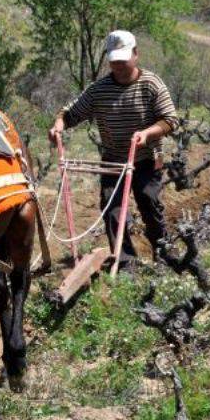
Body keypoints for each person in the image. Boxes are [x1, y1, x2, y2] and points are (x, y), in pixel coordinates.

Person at [48, 30, 178, 270]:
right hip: (113, 160)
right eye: (114, 60)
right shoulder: (99, 90)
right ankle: (126, 261)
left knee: (149, 204)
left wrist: (147, 133)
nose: (118, 65)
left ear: (136, 54)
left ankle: (164, 256)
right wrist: (59, 124)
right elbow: (71, 113)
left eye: (123, 59)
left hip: (146, 158)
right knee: (112, 209)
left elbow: (170, 120)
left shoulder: (151, 84)